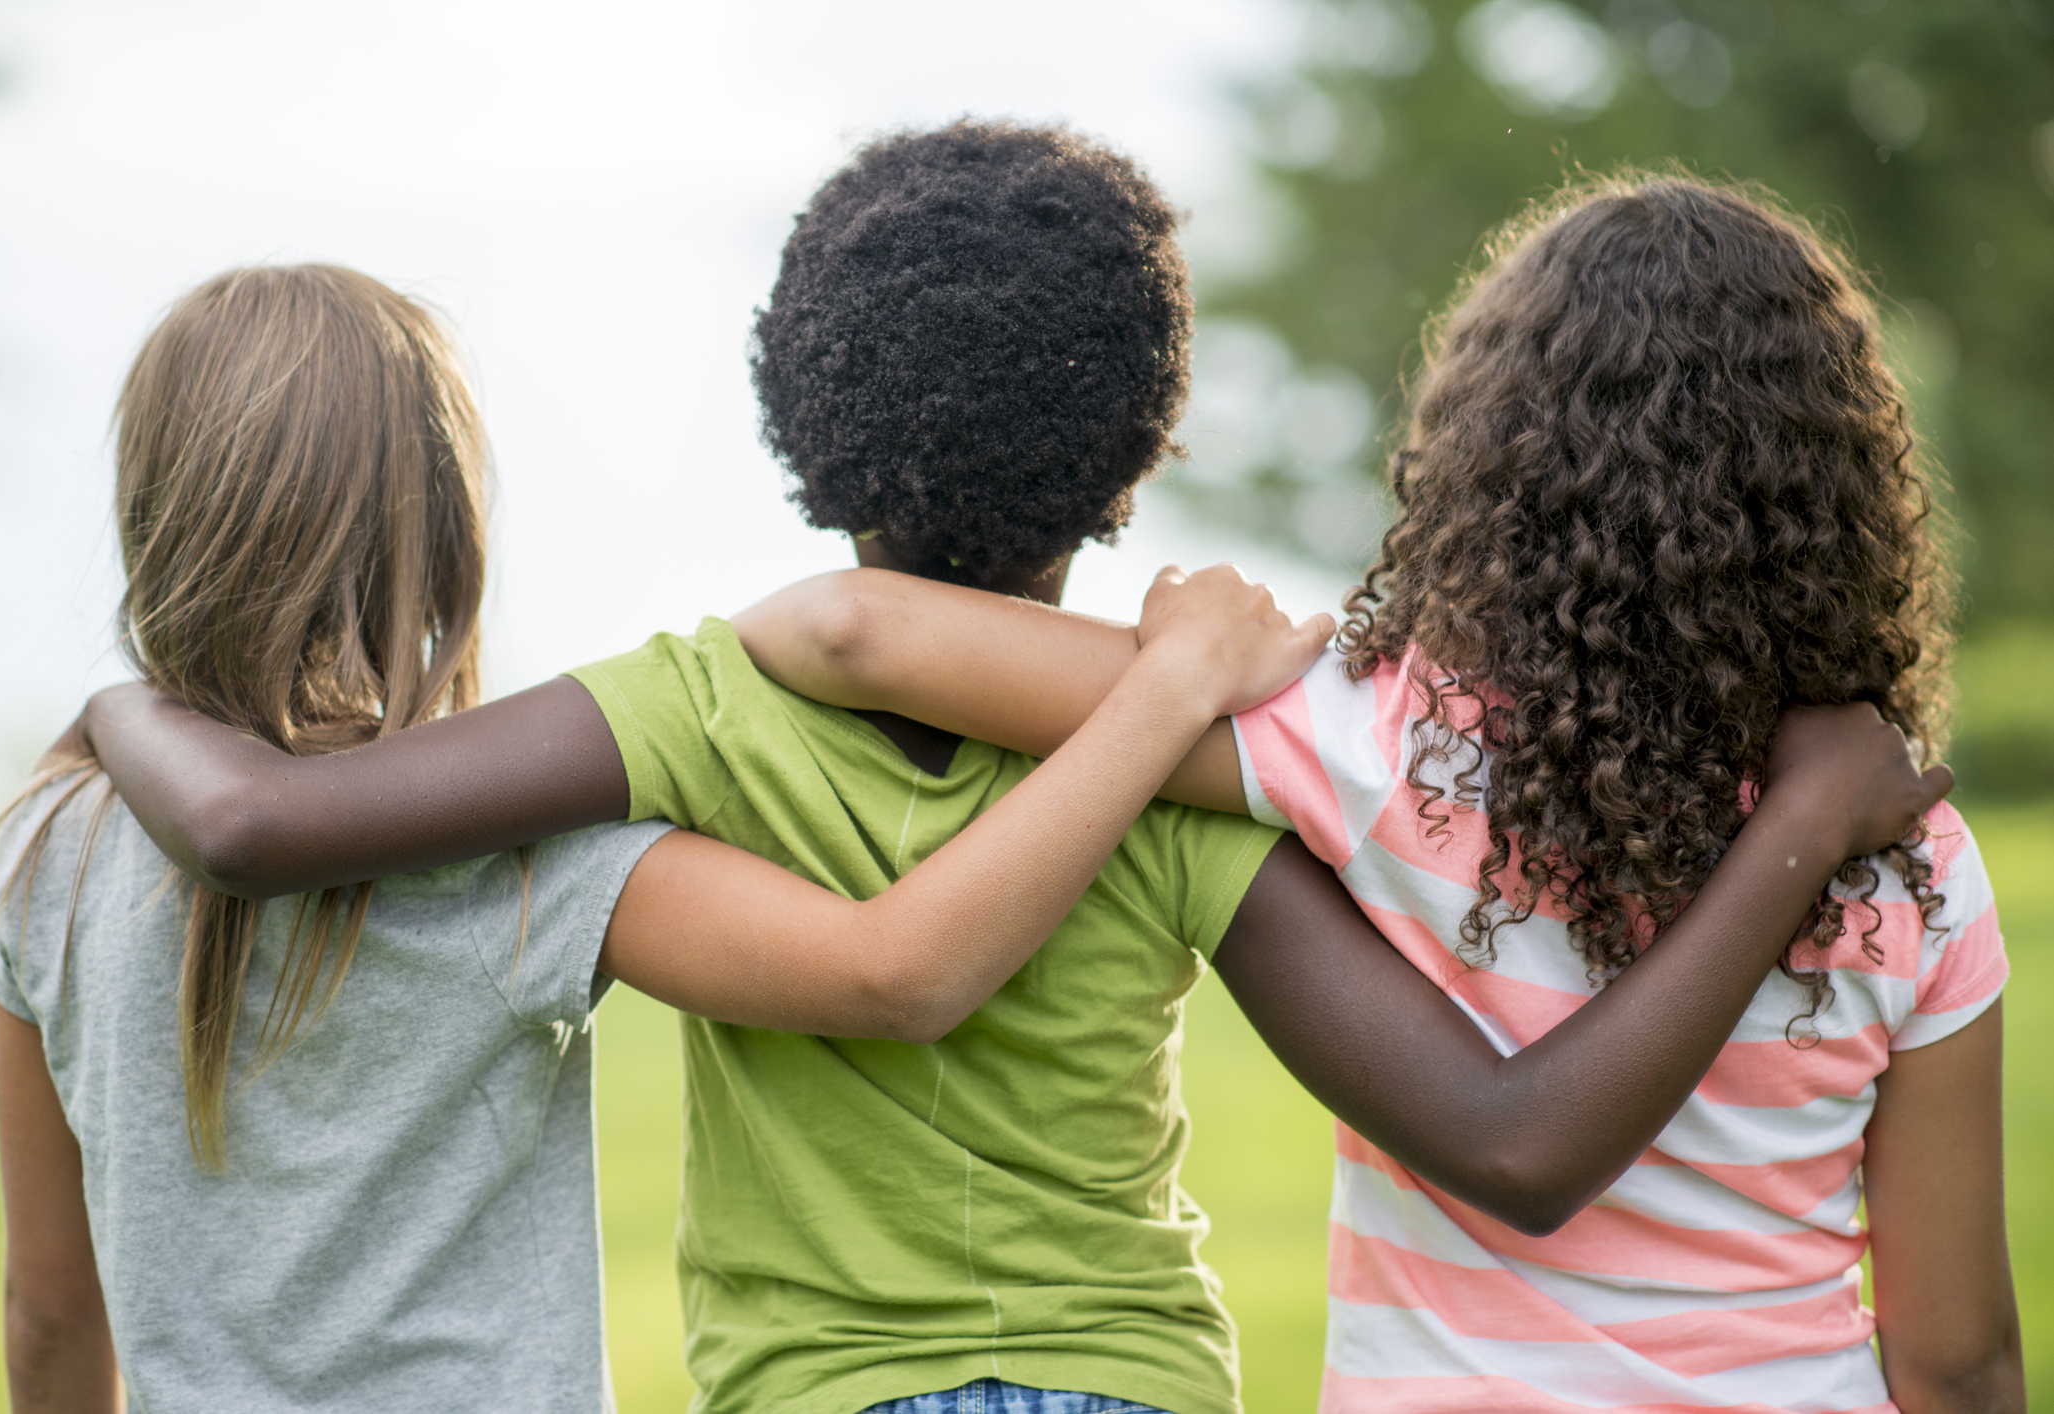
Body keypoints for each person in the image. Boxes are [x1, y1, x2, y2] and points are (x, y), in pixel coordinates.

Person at [76, 136, 1948, 1414]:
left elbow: (274, 822)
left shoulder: (702, 708)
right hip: (1126, 1372)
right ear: (1136, 454)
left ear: (799, 412)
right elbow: (1498, 1124)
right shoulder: (1194, 758)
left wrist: (120, 706)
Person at [731, 175, 2023, 1413]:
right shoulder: (1911, 860)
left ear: (1493, 470)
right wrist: (1803, 830)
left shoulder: (1380, 746)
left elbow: (853, 625)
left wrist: (1185, 665)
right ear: (1837, 501)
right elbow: (1957, 1362)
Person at [0, 263, 1337, 1413]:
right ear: (444, 532)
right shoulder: (524, 862)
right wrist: (1163, 689)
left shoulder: (45, 856)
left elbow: (45, 1310)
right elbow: (890, 967)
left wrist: (110, 700)